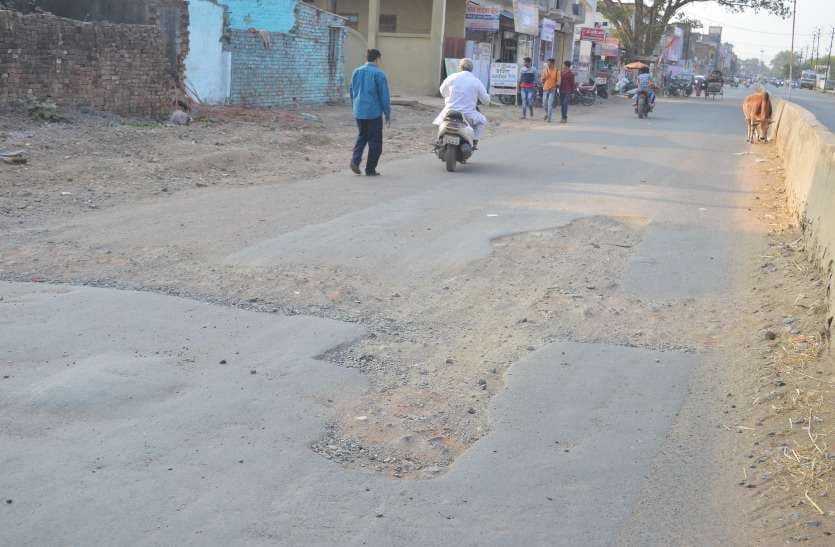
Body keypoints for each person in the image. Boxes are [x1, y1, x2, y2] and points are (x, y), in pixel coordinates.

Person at [350, 49, 391, 177]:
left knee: (362, 136)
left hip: (359, 111)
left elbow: (352, 91)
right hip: (373, 113)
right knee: (375, 142)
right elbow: (384, 96)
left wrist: (355, 107)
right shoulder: (379, 74)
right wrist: (387, 114)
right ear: (377, 59)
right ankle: (370, 169)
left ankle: (355, 161)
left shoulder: (356, 71)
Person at [434, 58, 490, 149]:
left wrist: (449, 98)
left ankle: (439, 139)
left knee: (441, 123)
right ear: (472, 69)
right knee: (482, 121)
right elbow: (486, 100)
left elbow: (442, 91)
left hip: (449, 111)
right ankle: (474, 142)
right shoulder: (476, 81)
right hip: (467, 114)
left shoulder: (452, 77)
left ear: (460, 67)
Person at [541, 58, 561, 123]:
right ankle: (547, 113)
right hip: (545, 89)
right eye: (548, 64)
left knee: (550, 104)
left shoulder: (557, 71)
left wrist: (555, 86)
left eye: (549, 64)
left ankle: (549, 118)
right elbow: (542, 80)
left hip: (552, 90)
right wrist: (543, 79)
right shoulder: (545, 70)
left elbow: (558, 81)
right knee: (544, 104)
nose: (548, 65)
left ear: (553, 64)